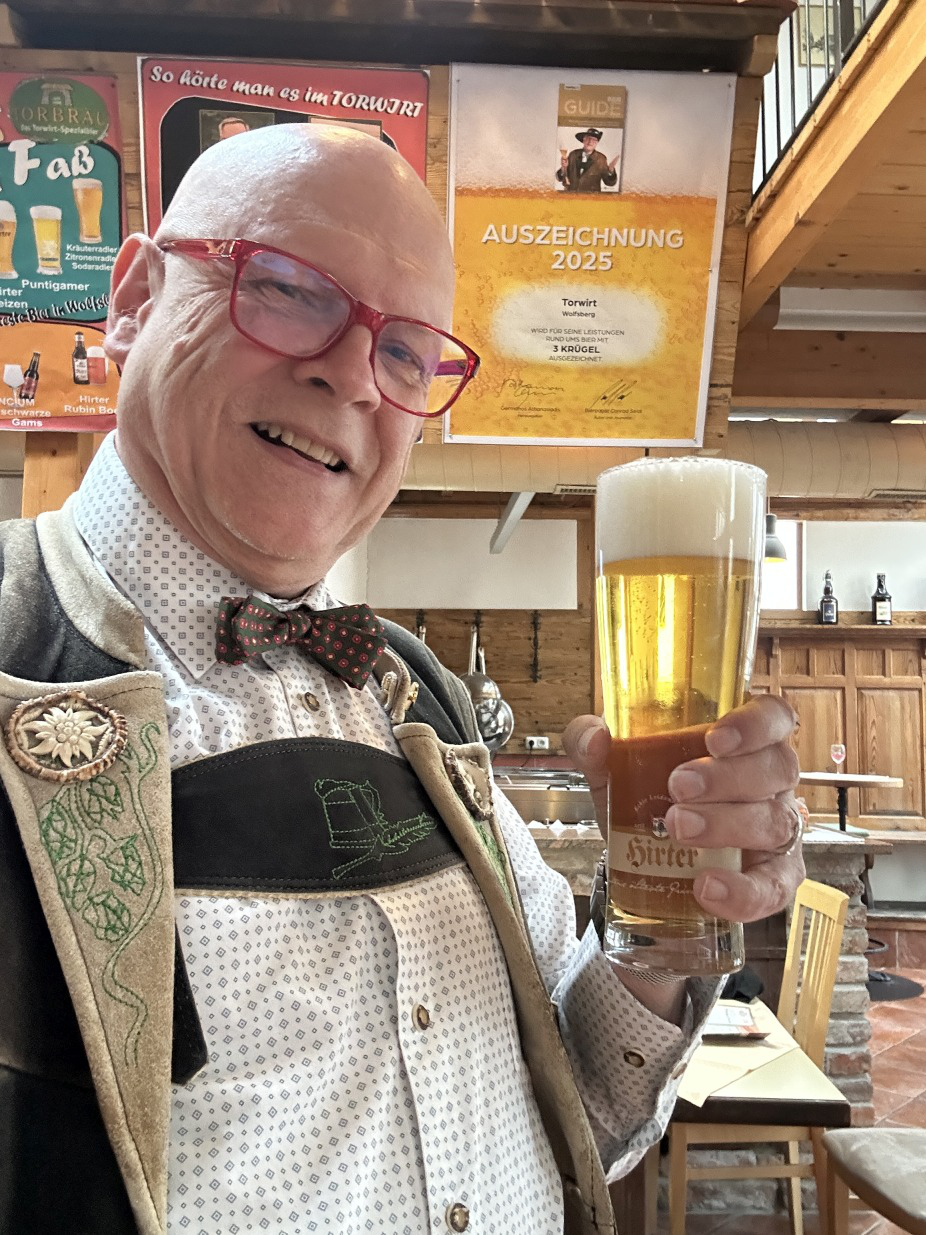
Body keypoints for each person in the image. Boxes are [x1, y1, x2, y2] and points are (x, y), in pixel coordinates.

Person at [0, 125, 804, 1235]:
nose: (350, 374)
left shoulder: (415, 692)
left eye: (408, 353)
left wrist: (664, 924)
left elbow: (589, 1100)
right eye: (287, 288)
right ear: (136, 298)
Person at [557, 128, 619, 193]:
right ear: (583, 140)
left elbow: (609, 183)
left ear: (597, 143)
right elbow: (559, 178)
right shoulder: (573, 155)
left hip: (591, 198)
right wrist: (563, 168)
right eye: (588, 138)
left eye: (594, 140)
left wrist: (611, 171)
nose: (590, 142)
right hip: (571, 197)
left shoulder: (601, 159)